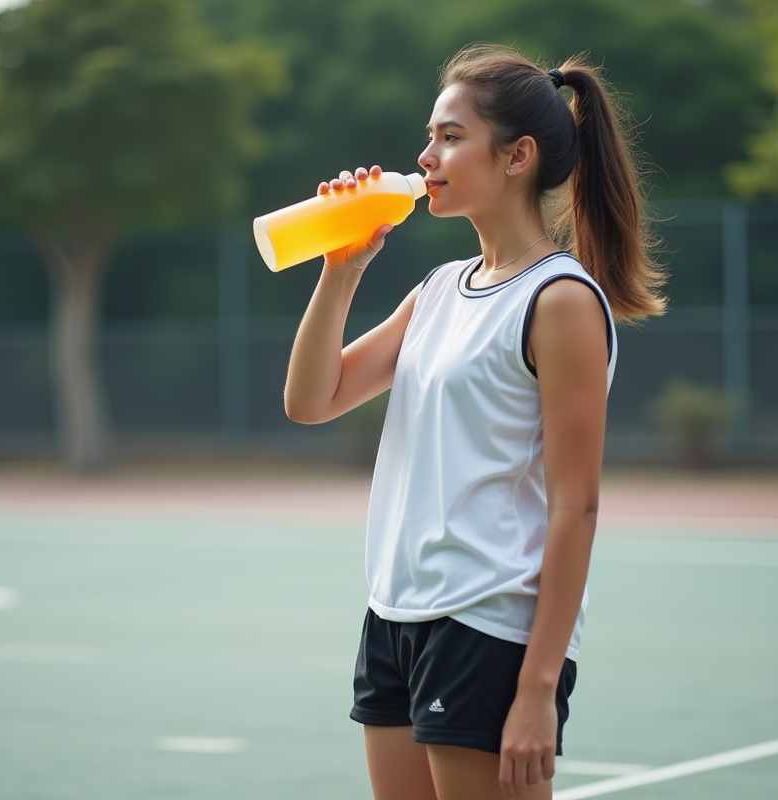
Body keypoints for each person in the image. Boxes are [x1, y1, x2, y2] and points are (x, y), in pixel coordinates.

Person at [284, 43, 666, 800]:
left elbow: (576, 507)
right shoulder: (437, 290)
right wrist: (341, 268)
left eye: (451, 137)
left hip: (489, 628)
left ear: (518, 155)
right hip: (395, 613)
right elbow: (310, 399)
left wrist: (536, 689)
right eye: (430, 136)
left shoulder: (558, 301)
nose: (427, 156)